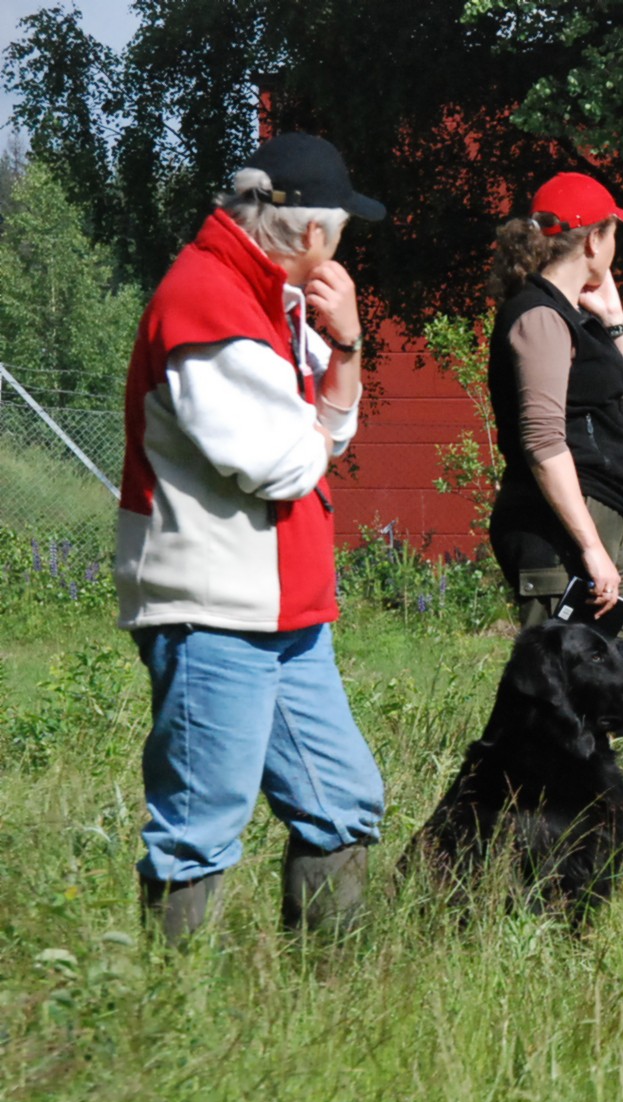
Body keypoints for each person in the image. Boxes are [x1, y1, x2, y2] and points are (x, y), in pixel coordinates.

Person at [116, 133, 387, 943]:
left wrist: (344, 346)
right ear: (312, 235)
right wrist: (310, 426)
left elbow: (317, 438)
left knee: (341, 800)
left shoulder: (264, 294)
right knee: (199, 825)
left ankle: (322, 1012)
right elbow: (276, 462)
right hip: (214, 607)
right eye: (341, 231)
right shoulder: (208, 299)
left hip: (281, 609)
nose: (341, 249)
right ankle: (168, 1029)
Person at [485, 171, 623, 739]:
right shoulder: (538, 317)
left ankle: (607, 816)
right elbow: (543, 442)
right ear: (594, 241)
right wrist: (590, 548)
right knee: (553, 705)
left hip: (594, 528)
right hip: (559, 531)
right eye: (614, 233)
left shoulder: (574, 317)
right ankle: (528, 818)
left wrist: (615, 324)